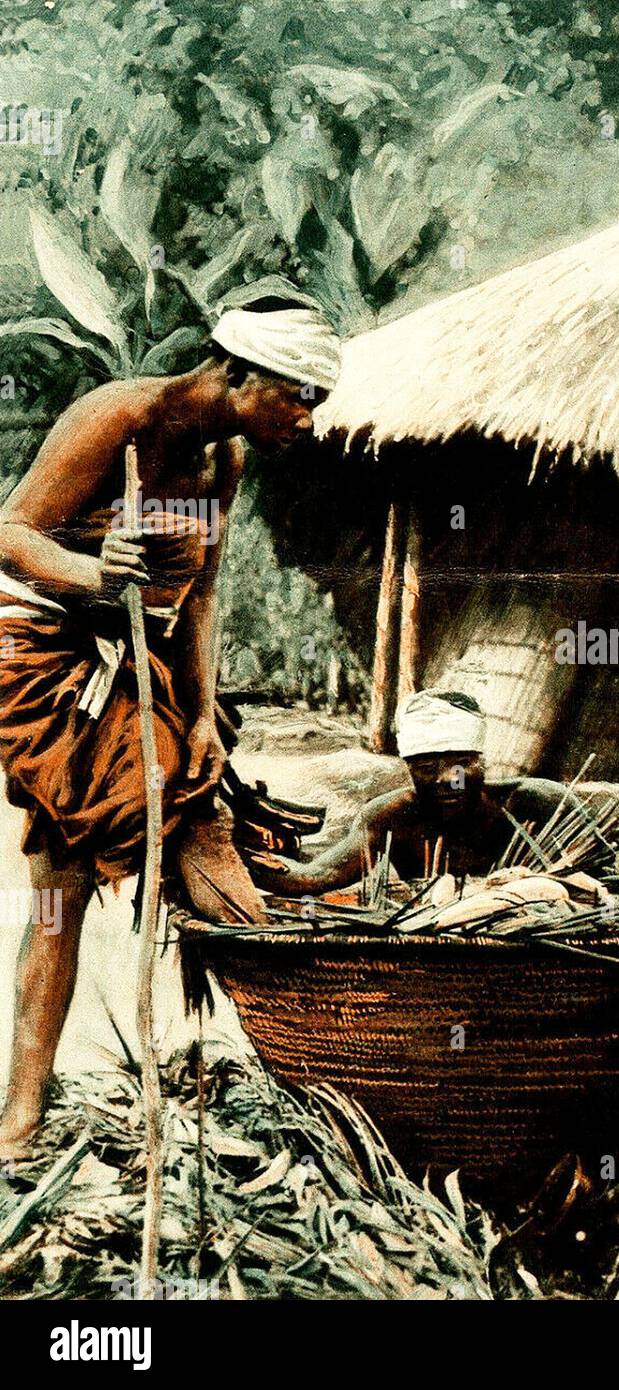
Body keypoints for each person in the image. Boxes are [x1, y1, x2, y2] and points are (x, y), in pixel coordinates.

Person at [0, 304, 341, 1159]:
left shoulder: (221, 459)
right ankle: (327, 1045)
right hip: (43, 659)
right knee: (193, 823)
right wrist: (90, 569)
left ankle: (18, 1117)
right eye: (297, 397)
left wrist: (197, 718)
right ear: (237, 374)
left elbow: (201, 596)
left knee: (57, 890)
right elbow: (7, 532)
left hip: (135, 668)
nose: (306, 418)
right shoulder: (120, 416)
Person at [255, 690, 571, 894]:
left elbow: (598, 881)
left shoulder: (535, 805)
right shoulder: (391, 818)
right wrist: (235, 857)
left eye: (461, 764)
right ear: (408, 770)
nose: (447, 779)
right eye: (427, 768)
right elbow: (317, 876)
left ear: (480, 762)